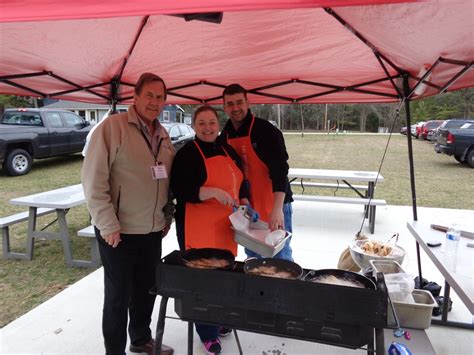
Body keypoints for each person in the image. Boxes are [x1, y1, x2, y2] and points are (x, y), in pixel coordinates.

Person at [82, 73, 175, 355]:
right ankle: (115, 351)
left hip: (151, 230)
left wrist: (166, 216)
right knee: (117, 297)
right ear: (134, 97)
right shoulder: (112, 128)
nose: (155, 102)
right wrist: (108, 224)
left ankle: (140, 338)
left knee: (146, 289)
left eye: (160, 97)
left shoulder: (163, 133)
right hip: (118, 232)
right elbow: (93, 181)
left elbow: (167, 180)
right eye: (150, 95)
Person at [170, 105, 249, 355]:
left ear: (218, 124)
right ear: (194, 126)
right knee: (202, 280)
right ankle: (206, 331)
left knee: (224, 275)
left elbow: (242, 181)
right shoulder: (187, 154)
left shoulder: (227, 149)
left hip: (226, 226)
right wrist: (213, 192)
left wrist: (245, 202)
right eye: (201, 123)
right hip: (197, 226)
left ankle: (221, 318)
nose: (207, 128)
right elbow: (180, 190)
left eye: (212, 122)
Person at [220, 83, 294, 261]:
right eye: (230, 104)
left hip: (274, 203)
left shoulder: (266, 131)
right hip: (249, 208)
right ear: (224, 108)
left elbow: (280, 170)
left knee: (278, 255)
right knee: (253, 254)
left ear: (248, 103)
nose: (235, 108)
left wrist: (277, 210)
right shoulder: (225, 136)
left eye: (239, 102)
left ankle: (281, 289)